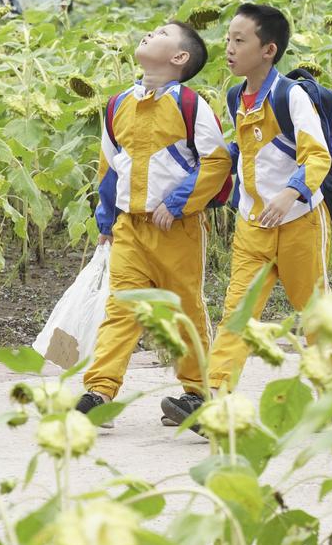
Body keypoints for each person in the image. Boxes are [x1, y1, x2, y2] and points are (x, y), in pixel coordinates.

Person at [75, 21, 230, 426]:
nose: (148, 33)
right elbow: (110, 166)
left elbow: (217, 162)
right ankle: (100, 392)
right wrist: (106, 218)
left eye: (162, 33)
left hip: (177, 230)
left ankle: (198, 394)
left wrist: (178, 203)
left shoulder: (190, 105)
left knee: (184, 309)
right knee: (121, 308)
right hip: (129, 227)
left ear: (180, 58)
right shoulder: (117, 104)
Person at [194, 3, 332, 419]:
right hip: (252, 225)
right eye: (228, 40)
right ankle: (216, 397)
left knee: (315, 314)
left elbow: (317, 156)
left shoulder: (291, 97)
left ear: (268, 50)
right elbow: (248, 150)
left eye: (240, 40)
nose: (230, 49)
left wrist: (291, 193)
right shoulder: (238, 95)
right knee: (237, 311)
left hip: (299, 224)